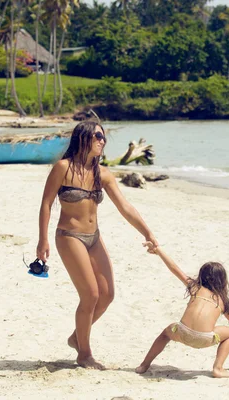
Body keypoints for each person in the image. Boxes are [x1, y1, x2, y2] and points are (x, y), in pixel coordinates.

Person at [36, 120, 158, 370]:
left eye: (103, 137)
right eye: (97, 137)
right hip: (69, 236)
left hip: (94, 237)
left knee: (107, 295)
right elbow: (47, 203)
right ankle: (84, 354)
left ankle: (76, 338)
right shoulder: (63, 168)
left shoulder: (103, 173)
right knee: (90, 295)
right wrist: (42, 239)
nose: (102, 141)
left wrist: (147, 232)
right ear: (83, 139)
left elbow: (125, 207)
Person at [135, 242, 229, 378]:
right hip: (204, 338)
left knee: (165, 334)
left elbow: (174, 268)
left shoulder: (194, 287)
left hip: (182, 333)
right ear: (223, 280)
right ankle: (218, 368)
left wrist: (158, 250)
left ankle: (144, 365)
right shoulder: (222, 301)